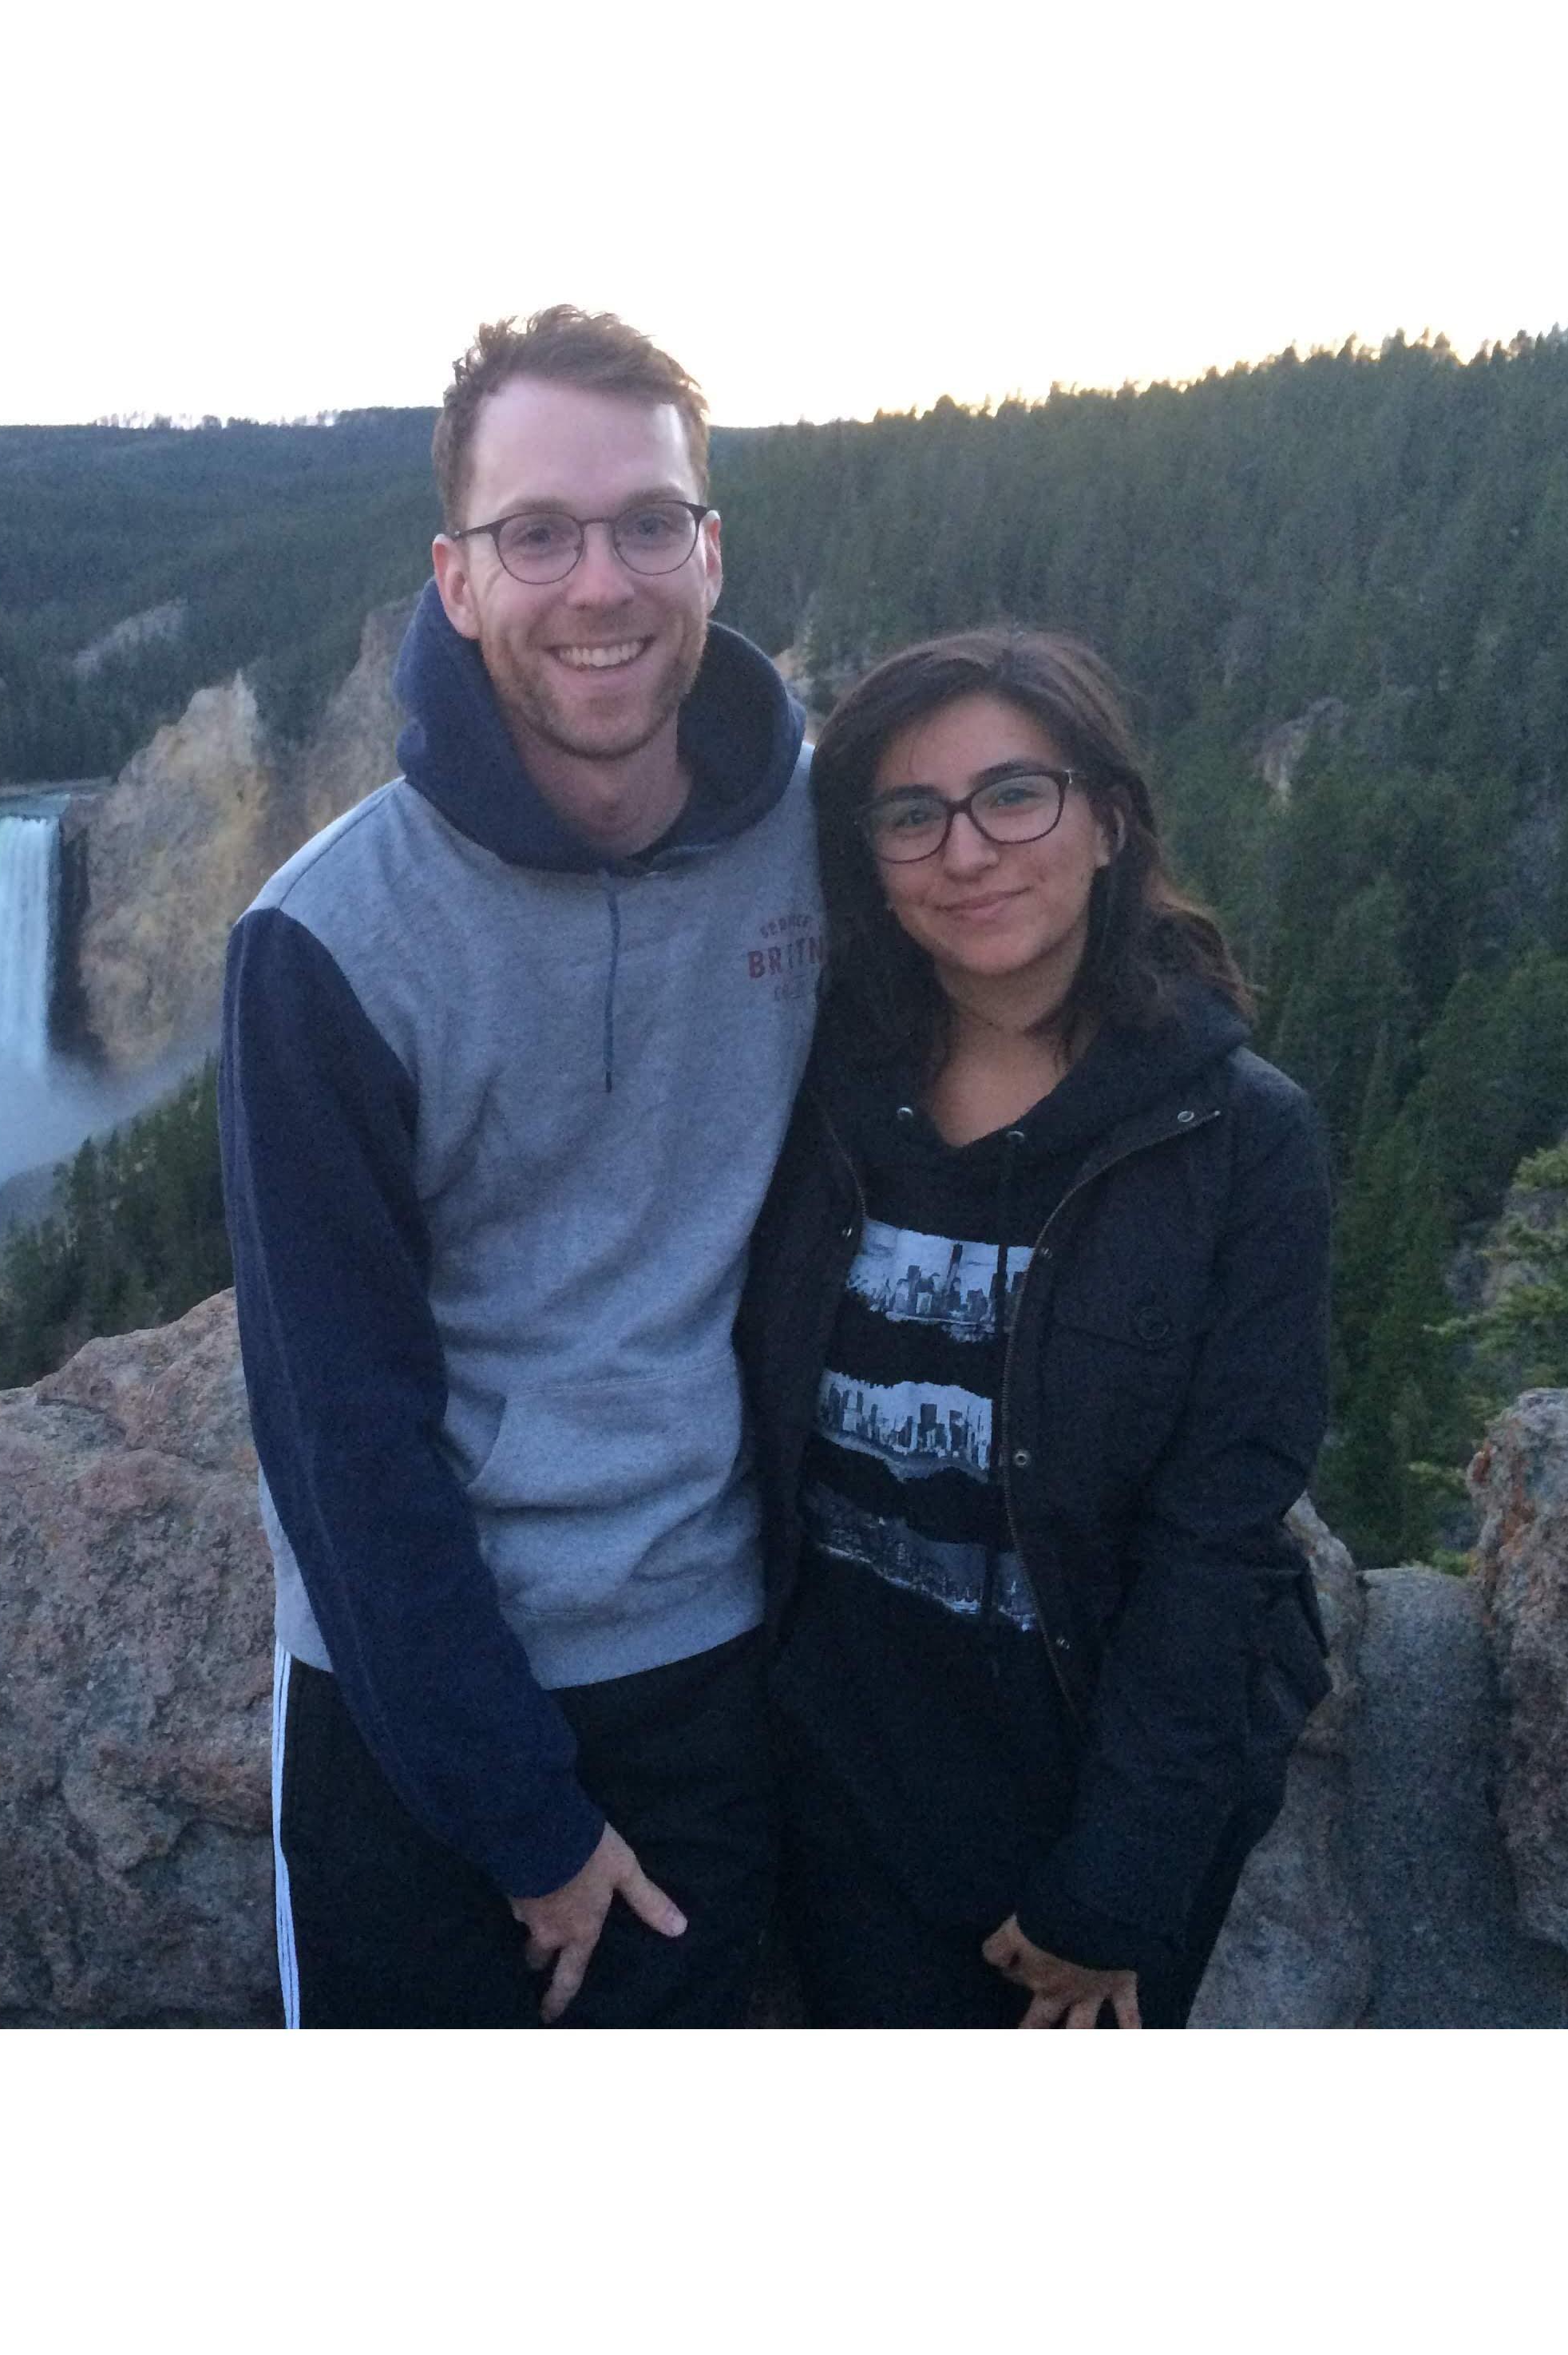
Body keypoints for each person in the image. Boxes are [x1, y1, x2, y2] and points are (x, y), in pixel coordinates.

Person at [220, 307, 824, 2027]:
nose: (601, 583)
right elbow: (341, 1431)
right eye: (537, 534)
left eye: (649, 523)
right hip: (405, 1710)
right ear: (459, 578)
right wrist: (523, 1817)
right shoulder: (327, 941)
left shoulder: (824, 842)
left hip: (711, 1658)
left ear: (711, 552)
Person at [738, 628, 1333, 2027]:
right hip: (824, 1793)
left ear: (1110, 821)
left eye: (1015, 795)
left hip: (1077, 1801)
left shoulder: (1238, 1141)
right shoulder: (812, 1091)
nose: (967, 852)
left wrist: (1119, 1881)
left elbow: (1217, 1536)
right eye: (911, 815)